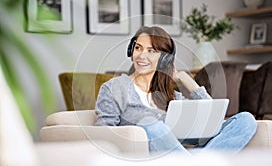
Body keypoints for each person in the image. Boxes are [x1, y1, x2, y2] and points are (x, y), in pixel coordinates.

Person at [95, 26, 257, 154]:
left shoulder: (171, 95)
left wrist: (187, 81)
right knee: (151, 125)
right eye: (138, 48)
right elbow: (104, 133)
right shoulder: (113, 88)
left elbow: (210, 117)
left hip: (176, 156)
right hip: (147, 156)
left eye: (151, 51)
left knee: (246, 120)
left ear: (164, 59)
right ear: (131, 51)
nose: (141, 56)